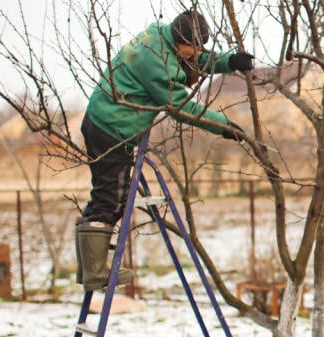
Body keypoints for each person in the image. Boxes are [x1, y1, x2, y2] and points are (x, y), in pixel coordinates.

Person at [76, 9, 254, 290]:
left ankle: (87, 269)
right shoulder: (158, 65)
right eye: (193, 46)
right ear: (180, 39)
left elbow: (191, 60)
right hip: (112, 128)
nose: (197, 52)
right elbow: (181, 107)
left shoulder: (161, 35)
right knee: (111, 198)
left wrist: (228, 60)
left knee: (104, 194)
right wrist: (223, 126)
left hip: (104, 120)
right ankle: (95, 272)